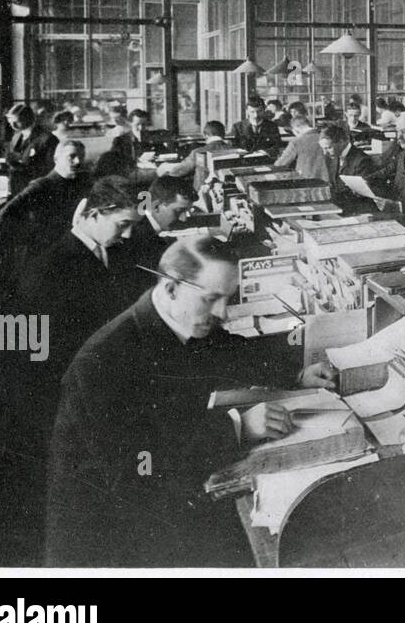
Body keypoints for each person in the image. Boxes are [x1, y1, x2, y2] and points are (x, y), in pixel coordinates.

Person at [46, 236, 338, 567]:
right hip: (112, 538)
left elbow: (230, 351)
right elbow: (140, 462)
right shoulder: (101, 362)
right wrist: (239, 426)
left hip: (160, 505)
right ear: (171, 288)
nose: (223, 312)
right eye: (212, 298)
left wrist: (297, 373)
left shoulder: (173, 318)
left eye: (227, 298)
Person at [0, 175, 142, 564]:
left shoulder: (91, 251)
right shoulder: (57, 268)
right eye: (123, 225)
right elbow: (53, 354)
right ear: (93, 214)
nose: (128, 236)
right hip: (47, 403)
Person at [0, 140, 91, 313]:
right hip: (42, 255)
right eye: (72, 156)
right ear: (56, 158)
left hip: (69, 251)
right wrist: (31, 236)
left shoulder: (82, 182)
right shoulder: (42, 185)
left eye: (81, 157)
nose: (78, 162)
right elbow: (6, 212)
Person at [119, 175, 199, 299]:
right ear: (156, 207)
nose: (183, 219)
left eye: (188, 211)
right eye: (178, 211)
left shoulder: (146, 227)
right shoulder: (138, 237)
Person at [319, 122, 385, 212]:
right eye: (323, 148)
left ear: (341, 141)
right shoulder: (333, 157)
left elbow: (362, 195)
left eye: (328, 148)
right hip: (339, 208)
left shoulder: (362, 161)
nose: (325, 153)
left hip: (357, 211)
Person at [158, 120, 235, 190]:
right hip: (229, 191)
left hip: (203, 195)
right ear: (224, 134)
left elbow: (179, 171)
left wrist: (164, 167)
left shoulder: (198, 152)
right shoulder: (236, 151)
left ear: (205, 135)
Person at [4, 103, 57, 195]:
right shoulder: (16, 136)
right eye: (10, 122)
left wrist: (21, 167)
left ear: (28, 119)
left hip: (36, 189)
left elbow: (50, 169)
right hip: (16, 188)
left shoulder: (47, 138)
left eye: (17, 121)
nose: (13, 125)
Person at [276, 114, 330, 183]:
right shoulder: (325, 138)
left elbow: (281, 164)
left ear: (296, 129)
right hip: (327, 180)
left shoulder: (296, 141)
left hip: (306, 181)